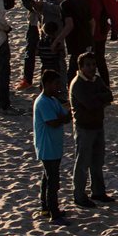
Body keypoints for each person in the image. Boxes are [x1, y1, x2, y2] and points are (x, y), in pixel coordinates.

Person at [68, 52, 115, 207]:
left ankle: (98, 192)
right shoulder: (77, 84)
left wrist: (99, 98)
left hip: (97, 125)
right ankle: (79, 196)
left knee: (97, 162)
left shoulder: (97, 80)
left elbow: (109, 95)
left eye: (93, 64)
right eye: (88, 65)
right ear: (81, 67)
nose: (92, 68)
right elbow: (90, 104)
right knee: (82, 163)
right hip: (84, 128)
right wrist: (100, 99)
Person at [72, 0, 118, 86]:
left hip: (98, 31)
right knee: (82, 61)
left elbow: (113, 8)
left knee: (99, 61)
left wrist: (115, 30)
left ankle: (105, 88)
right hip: (83, 31)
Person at [33, 69, 72, 225]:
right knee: (53, 181)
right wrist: (65, 116)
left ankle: (46, 207)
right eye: (56, 84)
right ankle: (54, 213)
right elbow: (54, 121)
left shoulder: (53, 100)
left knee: (47, 178)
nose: (58, 87)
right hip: (47, 148)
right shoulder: (42, 102)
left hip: (53, 147)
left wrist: (66, 115)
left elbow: (64, 116)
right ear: (47, 84)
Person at [18, 0, 54, 90]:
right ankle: (27, 79)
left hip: (50, 19)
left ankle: (47, 82)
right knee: (30, 48)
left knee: (49, 52)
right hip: (34, 18)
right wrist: (33, 8)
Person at [53, 0, 92, 78]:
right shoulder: (82, 0)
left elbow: (69, 25)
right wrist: (90, 38)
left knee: (72, 75)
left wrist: (57, 41)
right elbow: (92, 22)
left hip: (76, 44)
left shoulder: (65, 4)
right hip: (87, 43)